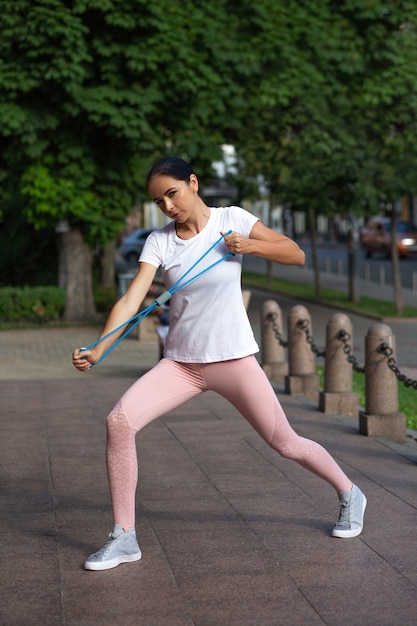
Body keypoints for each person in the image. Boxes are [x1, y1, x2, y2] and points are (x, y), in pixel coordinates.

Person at [72, 156, 367, 571]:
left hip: (233, 359)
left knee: (285, 443)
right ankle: (124, 537)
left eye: (172, 194)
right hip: (182, 364)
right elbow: (132, 299)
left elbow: (295, 254)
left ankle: (350, 493)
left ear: (192, 183)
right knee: (118, 422)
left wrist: (248, 245)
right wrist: (100, 349)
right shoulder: (159, 241)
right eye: (159, 201)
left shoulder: (232, 218)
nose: (168, 206)